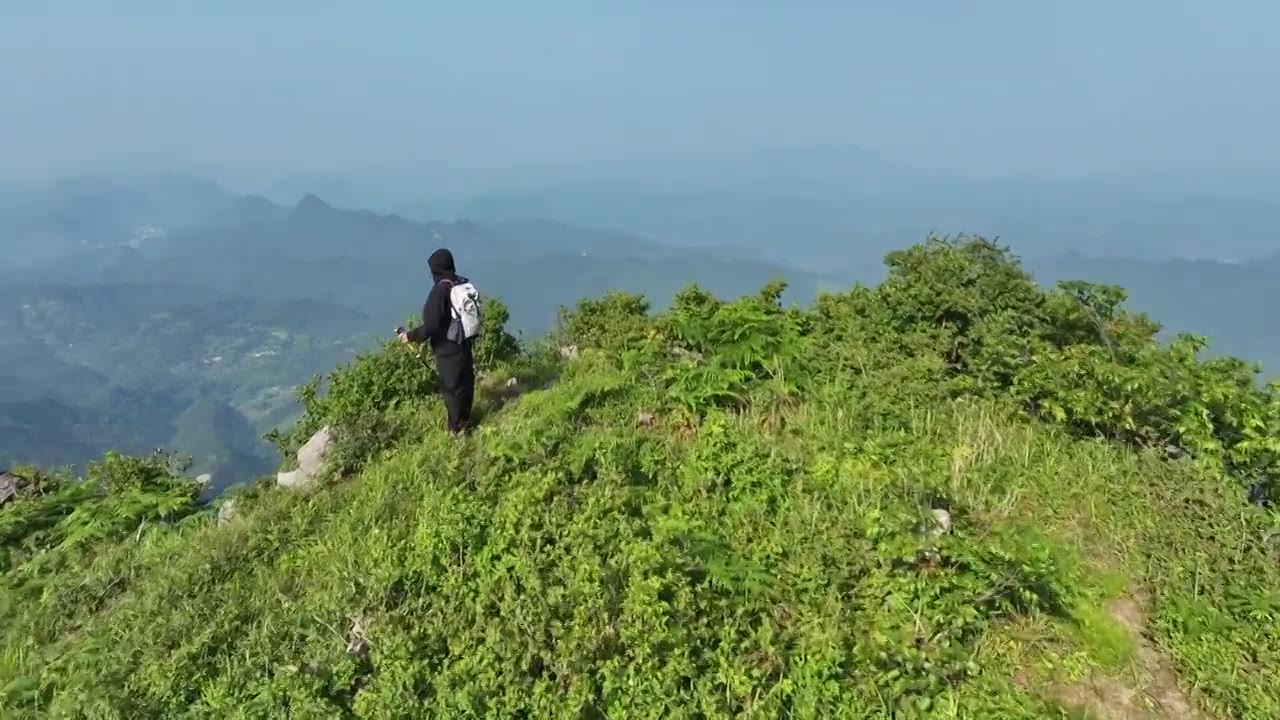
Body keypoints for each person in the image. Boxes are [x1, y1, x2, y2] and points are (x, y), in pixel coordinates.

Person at [398, 248, 476, 436]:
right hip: (464, 341)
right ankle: (466, 422)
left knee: (451, 387)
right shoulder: (460, 283)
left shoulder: (440, 290)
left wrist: (410, 336)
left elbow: (431, 325)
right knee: (465, 381)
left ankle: (457, 430)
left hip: (447, 347)